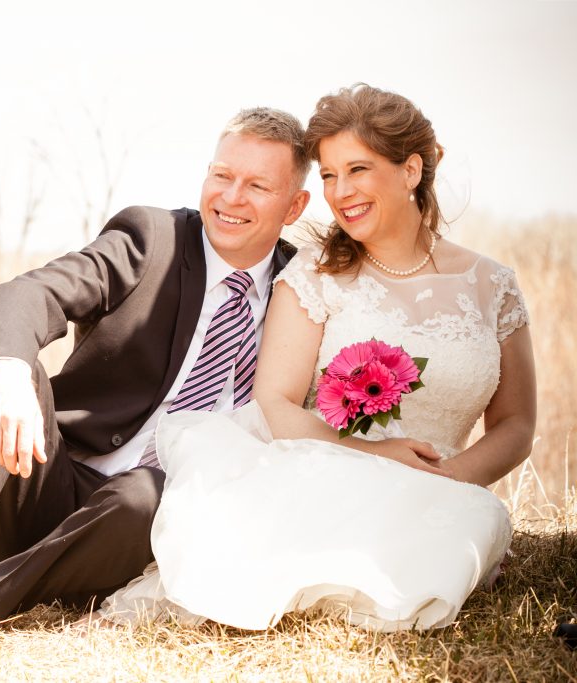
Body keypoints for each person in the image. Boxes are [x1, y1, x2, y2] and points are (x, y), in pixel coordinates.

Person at [0, 108, 311, 677]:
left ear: (295, 206)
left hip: (143, 518)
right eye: (222, 175)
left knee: (149, 496)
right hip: (45, 475)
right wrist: (5, 370)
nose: (231, 197)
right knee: (12, 369)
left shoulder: (303, 291)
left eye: (257, 185)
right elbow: (27, 295)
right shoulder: (152, 239)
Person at [96, 84, 537, 632]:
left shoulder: (491, 284)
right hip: (325, 472)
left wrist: (451, 479)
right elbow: (275, 403)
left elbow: (517, 424)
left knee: (458, 533)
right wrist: (370, 455)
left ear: (411, 170)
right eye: (328, 175)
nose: (340, 191)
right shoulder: (314, 274)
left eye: (357, 169)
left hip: (449, 489)